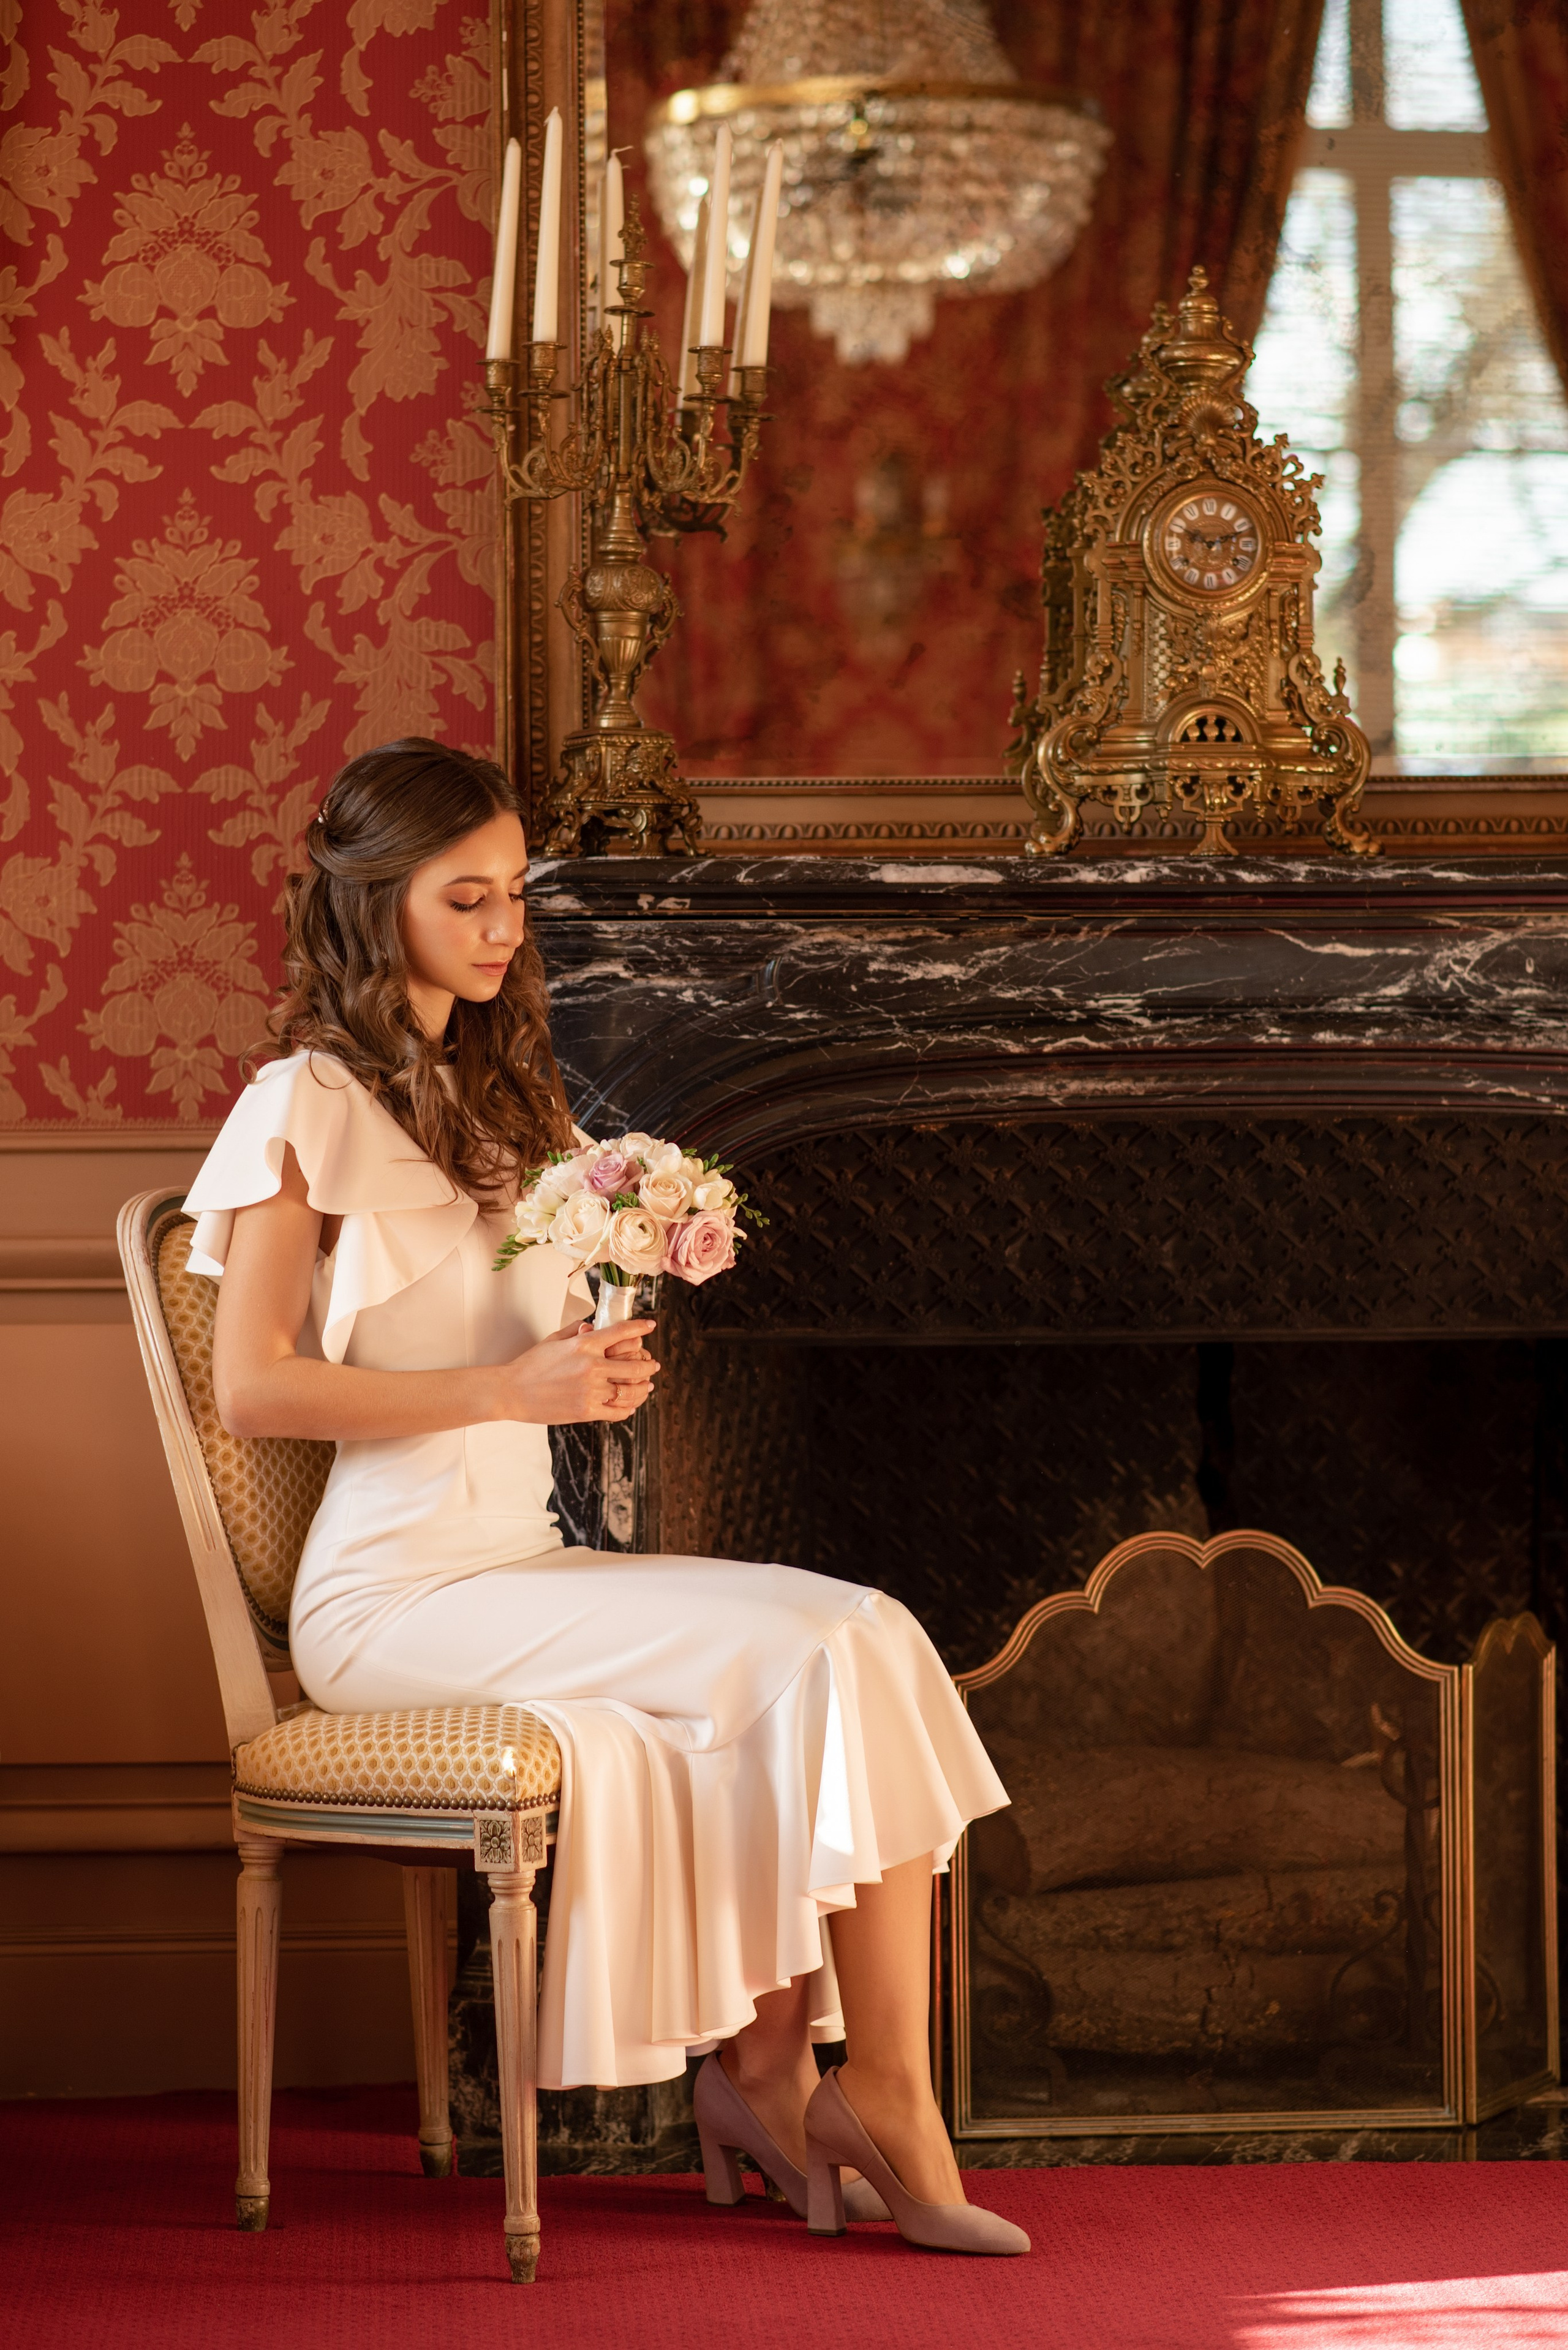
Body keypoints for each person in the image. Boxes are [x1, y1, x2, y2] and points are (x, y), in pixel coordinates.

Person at [185, 738, 1025, 2256]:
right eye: (467, 897)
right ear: (377, 908)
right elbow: (254, 1386)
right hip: (393, 1601)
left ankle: (791, 2076)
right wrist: (504, 1392)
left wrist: (590, 1359)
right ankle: (862, 2096)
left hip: (519, 1562)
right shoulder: (299, 1102)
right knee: (816, 1645)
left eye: (515, 894)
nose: (505, 927)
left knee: (867, 1633)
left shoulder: (501, 1092)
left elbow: (520, 1346)